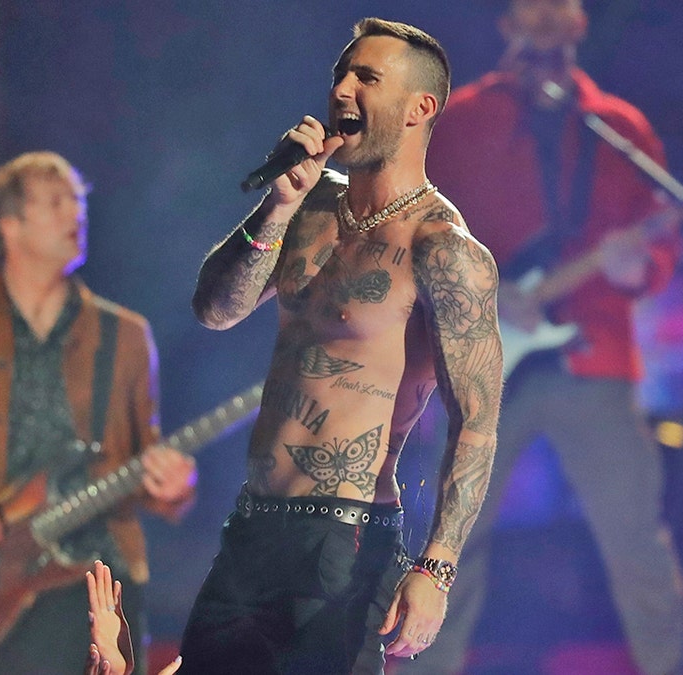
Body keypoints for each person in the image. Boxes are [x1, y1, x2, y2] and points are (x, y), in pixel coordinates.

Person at [183, 17, 503, 675]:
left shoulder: (443, 248)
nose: (342, 89)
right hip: (251, 530)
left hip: (346, 542)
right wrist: (275, 208)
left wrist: (436, 569)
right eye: (341, 74)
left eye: (367, 77)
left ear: (420, 108)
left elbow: (477, 423)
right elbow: (214, 310)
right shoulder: (306, 207)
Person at [397, 1, 683, 674]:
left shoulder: (618, 128)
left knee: (636, 540)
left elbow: (662, 242)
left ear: (580, 26)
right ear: (507, 27)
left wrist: (638, 264)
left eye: (559, 15)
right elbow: (413, 237)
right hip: (480, 362)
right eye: (532, 16)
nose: (547, 28)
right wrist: (485, 302)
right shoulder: (460, 122)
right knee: (447, 540)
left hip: (595, 361)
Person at [0, 151, 197, 675]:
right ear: (10, 226)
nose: (77, 213)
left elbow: (144, 462)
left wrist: (173, 487)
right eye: (56, 201)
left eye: (79, 199)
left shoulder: (126, 335)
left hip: (93, 582)